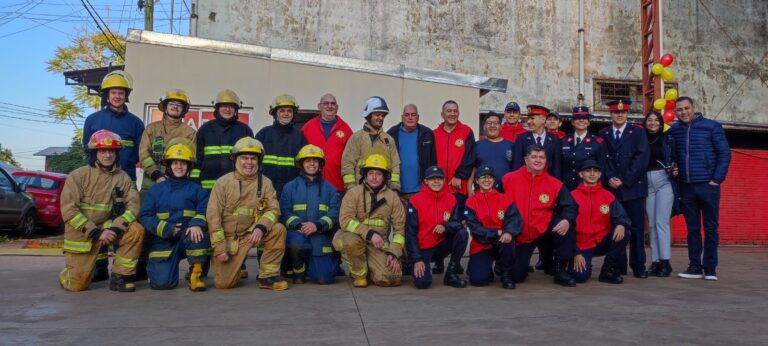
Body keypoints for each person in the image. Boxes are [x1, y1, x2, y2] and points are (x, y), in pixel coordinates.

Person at [59, 130, 144, 292]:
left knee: (136, 230)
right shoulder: (78, 176)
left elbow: (134, 206)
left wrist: (115, 228)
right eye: (102, 151)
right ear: (94, 153)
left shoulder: (123, 178)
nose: (107, 155)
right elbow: (69, 210)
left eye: (111, 151)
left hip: (109, 228)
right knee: (78, 285)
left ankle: (120, 277)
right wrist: (96, 233)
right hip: (82, 234)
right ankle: (68, 273)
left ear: (117, 154)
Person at [206, 137, 289, 290]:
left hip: (253, 233)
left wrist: (261, 227)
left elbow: (273, 209)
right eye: (244, 158)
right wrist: (219, 248)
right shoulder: (223, 183)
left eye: (253, 158)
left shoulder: (265, 183)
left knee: (278, 230)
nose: (249, 163)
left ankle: (267, 277)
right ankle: (237, 267)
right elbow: (213, 217)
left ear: (259, 161)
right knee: (224, 284)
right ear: (235, 159)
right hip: (230, 239)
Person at [669, 97, 731, 281]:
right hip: (686, 186)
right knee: (693, 229)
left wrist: (716, 179)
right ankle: (694, 266)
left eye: (686, 108)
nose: (683, 112)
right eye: (679, 110)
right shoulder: (674, 130)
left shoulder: (712, 127)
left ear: (693, 108)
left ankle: (710, 268)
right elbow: (671, 154)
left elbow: (724, 154)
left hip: (708, 186)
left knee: (711, 228)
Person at [139, 139, 210, 291]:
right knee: (162, 284)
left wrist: (196, 223)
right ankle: (158, 270)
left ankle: (195, 275)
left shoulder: (197, 190)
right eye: (175, 163)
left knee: (199, 235)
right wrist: (166, 228)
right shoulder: (156, 190)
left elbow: (203, 211)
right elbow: (145, 215)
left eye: (183, 163)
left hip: (187, 237)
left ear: (189, 166)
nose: (179, 166)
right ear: (169, 165)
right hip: (163, 239)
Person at [502, 145, 578, 287]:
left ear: (546, 161)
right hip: (521, 234)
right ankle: (511, 264)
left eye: (542, 157)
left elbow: (571, 206)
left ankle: (560, 269)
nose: (538, 160)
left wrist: (567, 220)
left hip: (544, 229)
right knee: (517, 276)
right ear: (526, 159)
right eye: (534, 157)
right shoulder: (508, 179)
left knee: (567, 226)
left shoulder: (555, 184)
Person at [334, 151, 405, 287]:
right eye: (371, 173)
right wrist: (370, 233)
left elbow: (400, 231)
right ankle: (359, 274)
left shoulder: (392, 197)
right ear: (365, 175)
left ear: (384, 177)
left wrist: (394, 253)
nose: (374, 178)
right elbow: (345, 220)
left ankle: (371, 266)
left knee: (391, 278)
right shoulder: (353, 193)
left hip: (378, 244)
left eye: (378, 174)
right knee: (350, 242)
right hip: (355, 237)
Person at [597, 99, 650, 278]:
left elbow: (641, 158)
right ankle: (618, 265)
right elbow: (602, 160)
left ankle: (639, 265)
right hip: (612, 190)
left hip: (633, 188)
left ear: (627, 114)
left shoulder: (638, 132)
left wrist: (625, 179)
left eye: (623, 112)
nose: (619, 115)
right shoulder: (602, 133)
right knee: (616, 228)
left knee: (636, 229)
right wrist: (609, 178)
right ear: (610, 114)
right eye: (615, 112)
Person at [280, 145, 341, 284]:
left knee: (324, 278)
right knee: (296, 244)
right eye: (308, 160)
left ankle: (322, 264)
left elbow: (334, 214)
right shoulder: (289, 187)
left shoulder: (331, 189)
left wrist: (317, 225)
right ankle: (297, 270)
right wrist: (300, 225)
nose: (312, 164)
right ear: (301, 164)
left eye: (315, 160)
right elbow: (285, 213)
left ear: (321, 164)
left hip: (320, 235)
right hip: (297, 233)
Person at [406, 166, 469, 289]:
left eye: (439, 178)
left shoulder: (451, 199)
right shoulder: (415, 200)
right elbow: (410, 233)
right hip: (423, 249)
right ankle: (412, 264)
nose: (436, 182)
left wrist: (445, 226)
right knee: (422, 283)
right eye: (432, 179)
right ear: (426, 181)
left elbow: (457, 223)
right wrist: (417, 258)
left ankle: (451, 273)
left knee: (462, 233)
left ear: (444, 180)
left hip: (441, 245)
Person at [432, 100, 475, 274]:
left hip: (459, 190)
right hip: (439, 191)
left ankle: (455, 262)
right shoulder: (434, 134)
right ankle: (439, 261)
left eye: (455, 111)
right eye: (448, 111)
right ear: (442, 114)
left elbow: (470, 158)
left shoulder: (467, 132)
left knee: (459, 226)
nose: (452, 114)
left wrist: (460, 176)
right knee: (439, 223)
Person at [570, 160, 630, 284]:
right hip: (581, 245)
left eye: (595, 171)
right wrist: (575, 252)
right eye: (588, 171)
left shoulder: (608, 196)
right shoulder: (572, 197)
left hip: (602, 241)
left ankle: (608, 270)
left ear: (600, 174)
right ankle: (572, 262)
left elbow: (622, 216)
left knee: (625, 232)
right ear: (581, 174)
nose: (592, 174)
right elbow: (565, 229)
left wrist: (621, 224)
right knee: (580, 277)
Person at [465, 166, 522, 289]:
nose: (487, 180)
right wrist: (496, 233)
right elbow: (474, 227)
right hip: (482, 245)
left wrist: (508, 232)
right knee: (478, 281)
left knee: (508, 238)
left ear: (494, 180)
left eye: (490, 177)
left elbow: (514, 220)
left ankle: (505, 272)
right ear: (476, 181)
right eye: (483, 177)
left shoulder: (505, 199)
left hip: (501, 243)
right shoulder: (471, 202)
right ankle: (482, 267)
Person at [82, 71, 145, 181]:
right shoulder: (92, 120)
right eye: (113, 93)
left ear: (126, 96)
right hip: (97, 178)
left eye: (121, 93)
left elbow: (141, 153)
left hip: (126, 178)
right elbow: (87, 149)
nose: (117, 96)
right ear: (107, 95)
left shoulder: (136, 123)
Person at [192, 89, 254, 193]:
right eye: (224, 106)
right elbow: (197, 158)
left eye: (231, 106)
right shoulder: (205, 129)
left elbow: (251, 160)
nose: (227, 109)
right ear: (217, 108)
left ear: (236, 109)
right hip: (207, 189)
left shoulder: (244, 130)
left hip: (237, 187)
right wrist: (195, 182)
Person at [138, 89, 197, 195]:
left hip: (178, 188)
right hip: (151, 186)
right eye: (172, 103)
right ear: (165, 107)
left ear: (184, 110)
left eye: (179, 105)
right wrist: (156, 174)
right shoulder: (151, 129)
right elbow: (143, 154)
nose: (175, 107)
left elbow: (191, 161)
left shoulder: (190, 133)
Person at [341, 96, 401, 192]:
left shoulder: (389, 140)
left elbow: (395, 165)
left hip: (384, 192)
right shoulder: (357, 138)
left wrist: (394, 187)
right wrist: (351, 188)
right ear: (369, 115)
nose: (381, 118)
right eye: (377, 115)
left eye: (383, 115)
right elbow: (347, 164)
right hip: (360, 191)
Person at [644, 111, 678, 277]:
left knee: (661, 222)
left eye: (656, 120)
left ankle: (665, 261)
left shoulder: (668, 138)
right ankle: (655, 261)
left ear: (661, 122)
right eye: (649, 120)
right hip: (647, 182)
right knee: (651, 224)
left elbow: (676, 157)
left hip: (664, 180)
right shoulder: (641, 138)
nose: (652, 123)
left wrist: (675, 167)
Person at [256, 94, 307, 197]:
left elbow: (304, 165)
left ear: (293, 114)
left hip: (292, 191)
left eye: (289, 111)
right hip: (266, 190)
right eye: (282, 111)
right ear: (275, 114)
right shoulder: (264, 134)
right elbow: (253, 161)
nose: (286, 114)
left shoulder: (299, 136)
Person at [301, 93, 353, 193]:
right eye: (326, 103)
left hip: (337, 186)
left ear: (337, 107)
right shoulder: (308, 127)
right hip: (311, 185)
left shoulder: (346, 129)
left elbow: (351, 158)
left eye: (333, 103)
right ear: (319, 107)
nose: (329, 106)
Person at [386, 104, 438, 203]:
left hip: (420, 191)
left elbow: (433, 161)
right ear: (402, 117)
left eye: (413, 115)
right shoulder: (391, 134)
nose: (410, 117)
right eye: (407, 115)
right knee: (399, 218)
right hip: (397, 191)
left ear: (418, 118)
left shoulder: (427, 134)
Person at [561, 106, 604, 191]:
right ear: (572, 122)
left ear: (588, 122)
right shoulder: (563, 141)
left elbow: (601, 167)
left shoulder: (597, 142)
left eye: (584, 118)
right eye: (577, 118)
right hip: (566, 188)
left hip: (587, 188)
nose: (581, 120)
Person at [512, 105, 561, 179]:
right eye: (528, 118)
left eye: (532, 118)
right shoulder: (521, 138)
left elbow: (556, 167)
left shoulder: (555, 140)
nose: (528, 121)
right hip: (527, 183)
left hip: (547, 184)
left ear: (543, 119)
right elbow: (516, 166)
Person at [475, 112, 514, 192]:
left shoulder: (512, 146)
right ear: (484, 127)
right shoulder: (476, 145)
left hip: (505, 193)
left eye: (496, 123)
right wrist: (469, 190)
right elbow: (472, 169)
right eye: (489, 123)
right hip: (482, 193)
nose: (492, 126)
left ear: (501, 127)